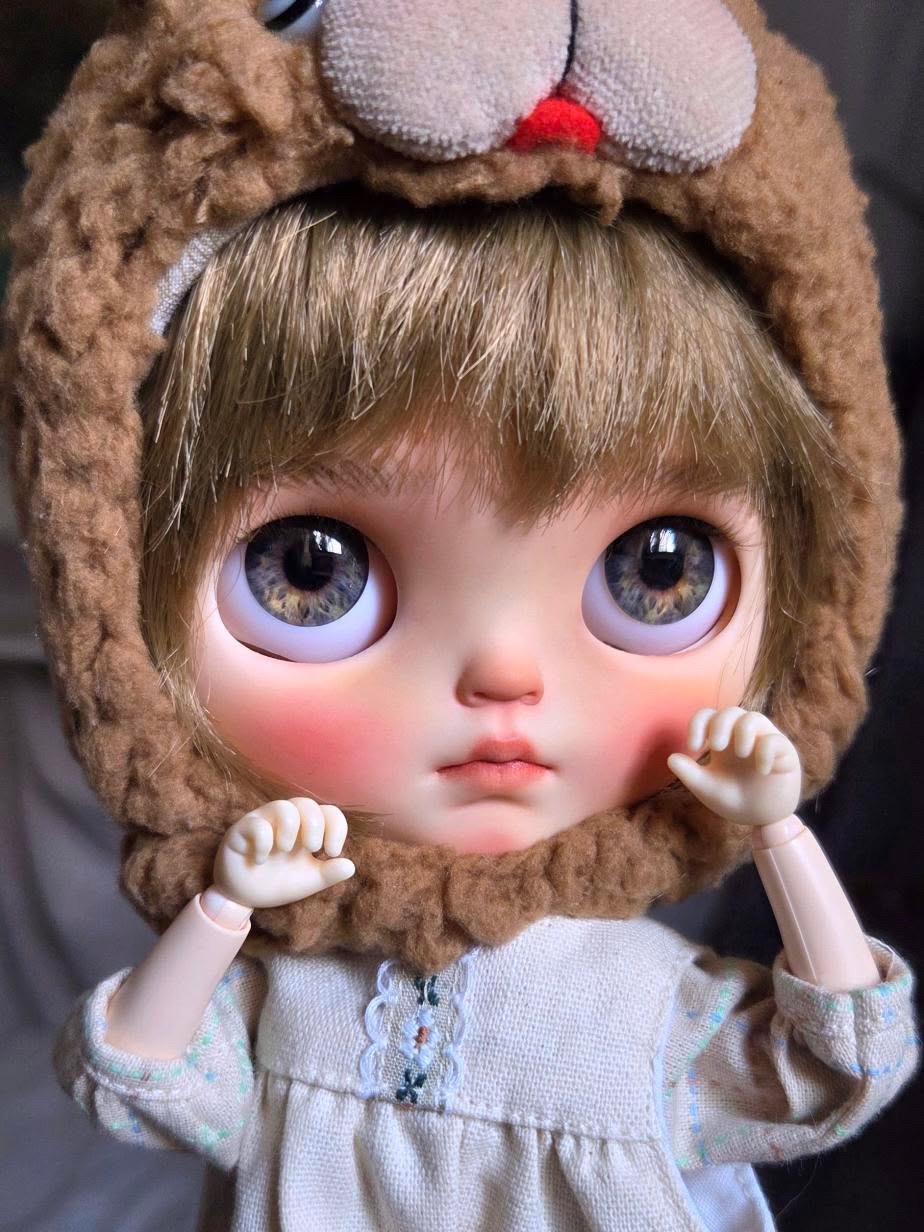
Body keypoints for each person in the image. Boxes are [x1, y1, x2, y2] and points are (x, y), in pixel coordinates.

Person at [3, 3, 916, 1229]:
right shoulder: (292, 1003)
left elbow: (832, 1063)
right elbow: (140, 1073)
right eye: (311, 572)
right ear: (111, 590)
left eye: (657, 571)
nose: (504, 673)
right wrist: (221, 905)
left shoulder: (645, 1013)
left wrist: (779, 832)